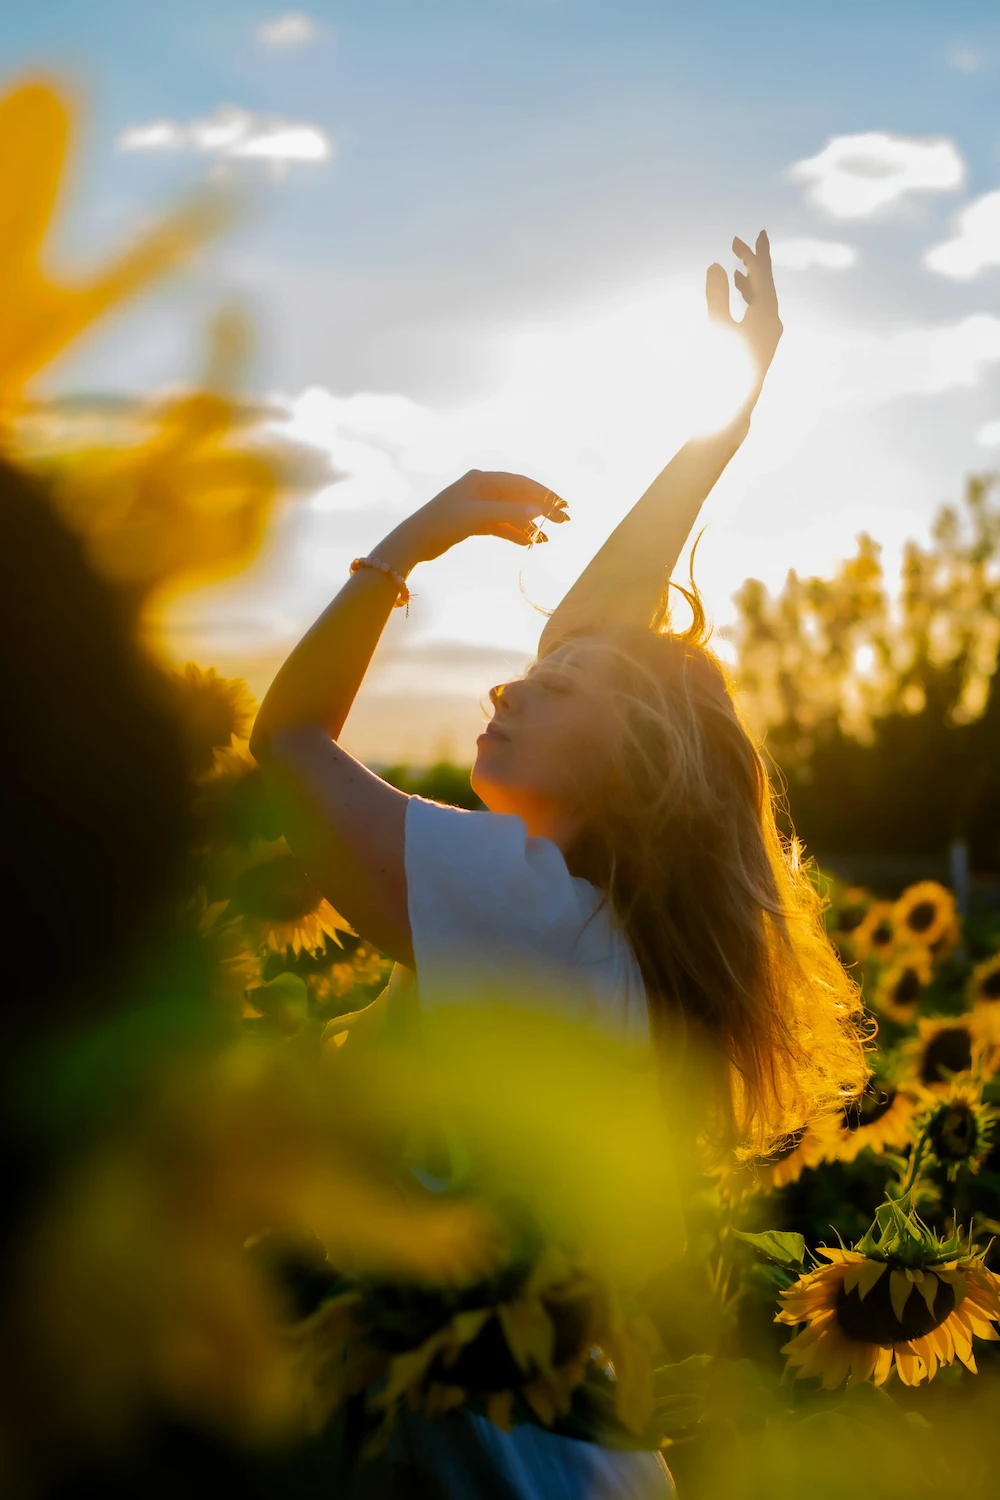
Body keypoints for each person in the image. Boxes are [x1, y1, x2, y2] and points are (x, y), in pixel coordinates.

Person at [250, 232, 868, 1497]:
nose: (506, 682)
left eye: (554, 687)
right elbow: (604, 628)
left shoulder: (528, 913)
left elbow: (290, 738)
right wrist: (719, 433)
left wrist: (404, 549)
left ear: (629, 771)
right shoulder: (600, 937)